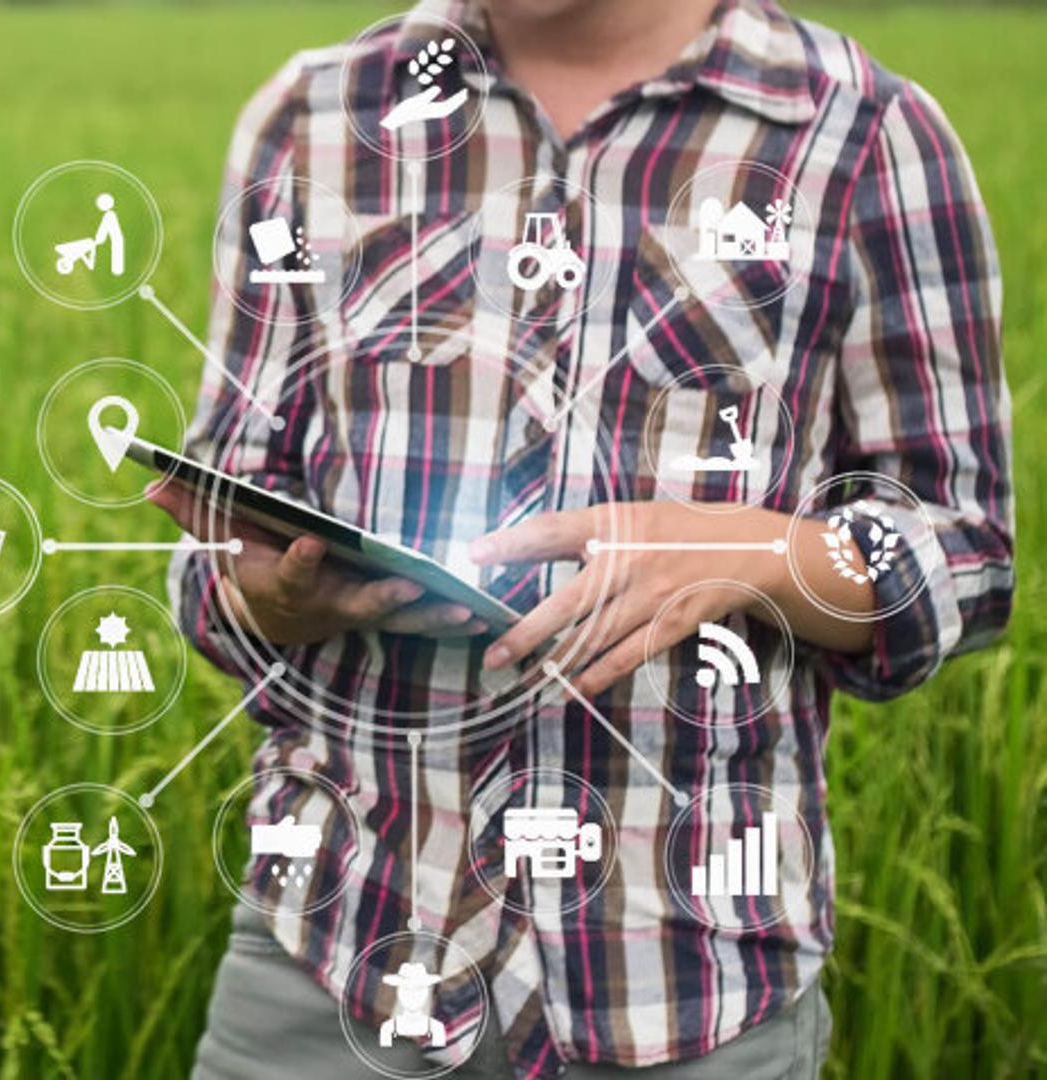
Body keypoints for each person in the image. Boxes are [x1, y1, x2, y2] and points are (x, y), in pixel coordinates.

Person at [154, 0, 1011, 1076]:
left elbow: (968, 553)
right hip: (334, 956)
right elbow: (220, 520)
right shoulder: (318, 116)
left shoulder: (859, 136)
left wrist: (750, 555)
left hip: (685, 978)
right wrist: (265, 590)